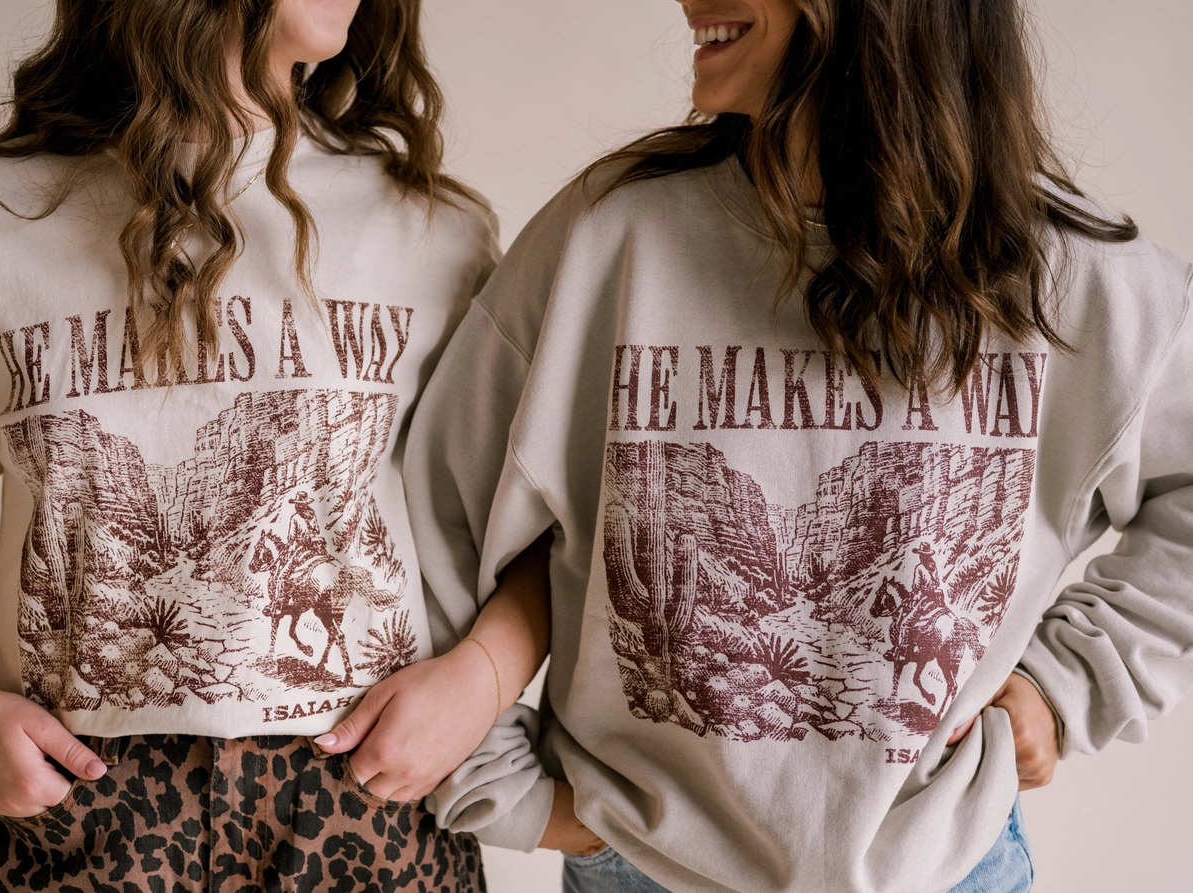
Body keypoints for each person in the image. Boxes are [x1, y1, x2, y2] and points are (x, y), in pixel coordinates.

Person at [384, 0, 1193, 890]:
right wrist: (515, 793)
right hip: (647, 875)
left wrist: (1066, 687)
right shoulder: (611, 237)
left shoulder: (1072, 283)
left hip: (949, 871)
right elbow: (433, 520)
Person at [0, 0, 551, 889]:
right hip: (83, 810)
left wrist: (480, 685)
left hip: (366, 796)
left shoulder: (435, 231)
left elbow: (536, 527)